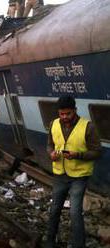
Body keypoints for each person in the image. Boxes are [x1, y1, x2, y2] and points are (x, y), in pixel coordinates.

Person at [46, 96, 102, 248]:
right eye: (62, 114)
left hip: (79, 176)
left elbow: (97, 152)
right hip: (59, 174)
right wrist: (51, 154)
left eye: (68, 114)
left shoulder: (87, 127)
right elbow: (49, 145)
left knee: (75, 212)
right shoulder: (53, 124)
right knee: (55, 209)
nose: (65, 117)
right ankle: (49, 241)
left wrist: (78, 155)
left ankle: (79, 245)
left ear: (75, 111)